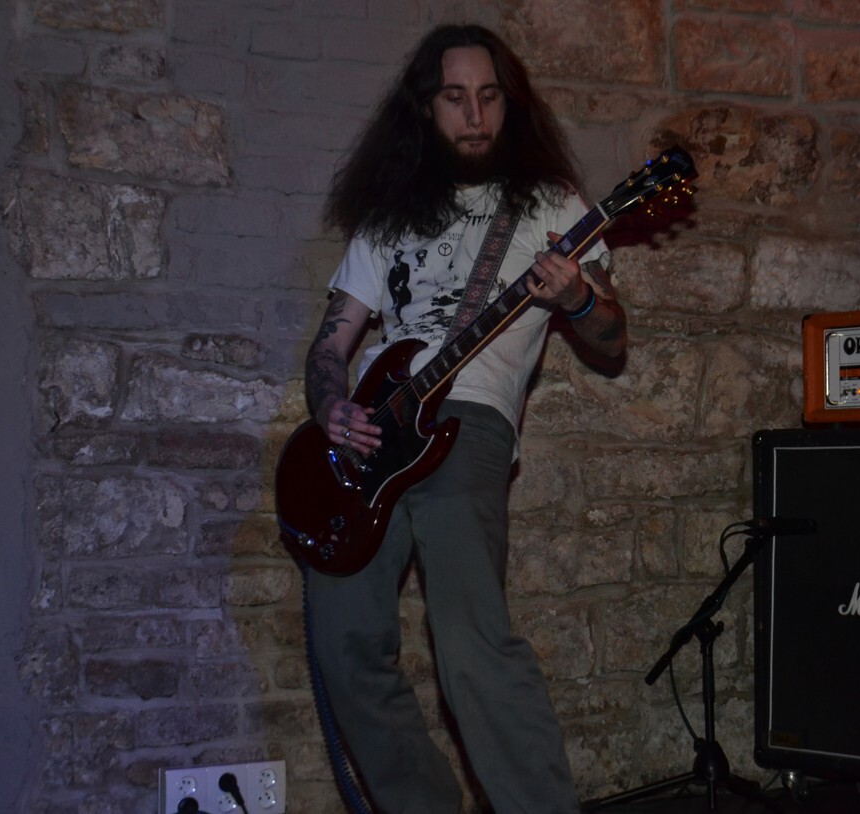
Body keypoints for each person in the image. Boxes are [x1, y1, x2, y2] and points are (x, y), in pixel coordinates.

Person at [302, 23, 628, 814]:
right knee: (345, 646)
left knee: (471, 649)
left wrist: (575, 297)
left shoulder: (551, 206)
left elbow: (611, 339)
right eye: (455, 98)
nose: (475, 116)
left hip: (468, 426)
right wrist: (332, 406)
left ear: (510, 106)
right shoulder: (386, 218)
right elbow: (332, 345)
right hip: (372, 436)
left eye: (489, 98)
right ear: (425, 108)